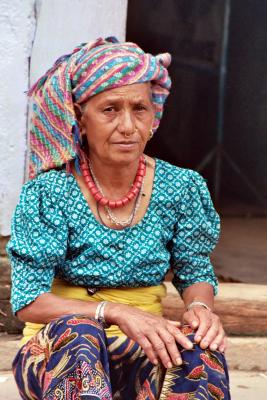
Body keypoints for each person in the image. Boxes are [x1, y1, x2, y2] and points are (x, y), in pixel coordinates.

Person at [7, 37, 230, 399]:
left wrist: (201, 310)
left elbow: (195, 270)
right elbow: (29, 300)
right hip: (58, 355)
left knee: (199, 349)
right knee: (81, 334)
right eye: (110, 110)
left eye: (139, 109)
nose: (128, 126)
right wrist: (116, 312)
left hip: (143, 347)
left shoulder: (181, 186)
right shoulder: (49, 192)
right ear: (80, 117)